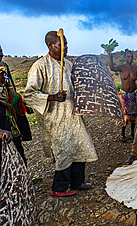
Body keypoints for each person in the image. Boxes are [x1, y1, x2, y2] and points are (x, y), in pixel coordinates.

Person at [24, 31, 98, 197]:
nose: (66, 47)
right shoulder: (40, 66)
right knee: (63, 149)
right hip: (55, 117)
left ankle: (77, 181)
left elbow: (76, 86)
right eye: (61, 44)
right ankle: (58, 187)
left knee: (79, 144)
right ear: (51, 46)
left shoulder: (69, 65)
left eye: (66, 43)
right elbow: (28, 93)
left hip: (73, 115)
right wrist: (52, 97)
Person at [108, 49, 137, 141]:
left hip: (133, 94)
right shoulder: (121, 68)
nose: (130, 58)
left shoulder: (135, 69)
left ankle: (132, 133)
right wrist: (110, 56)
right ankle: (122, 133)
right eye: (128, 56)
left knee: (133, 115)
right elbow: (112, 68)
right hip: (124, 94)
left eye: (131, 57)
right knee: (125, 115)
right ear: (124, 57)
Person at [0, 66, 30, 165]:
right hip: (3, 126)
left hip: (9, 122)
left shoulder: (4, 87)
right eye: (1, 75)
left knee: (18, 153)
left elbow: (13, 95)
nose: (4, 77)